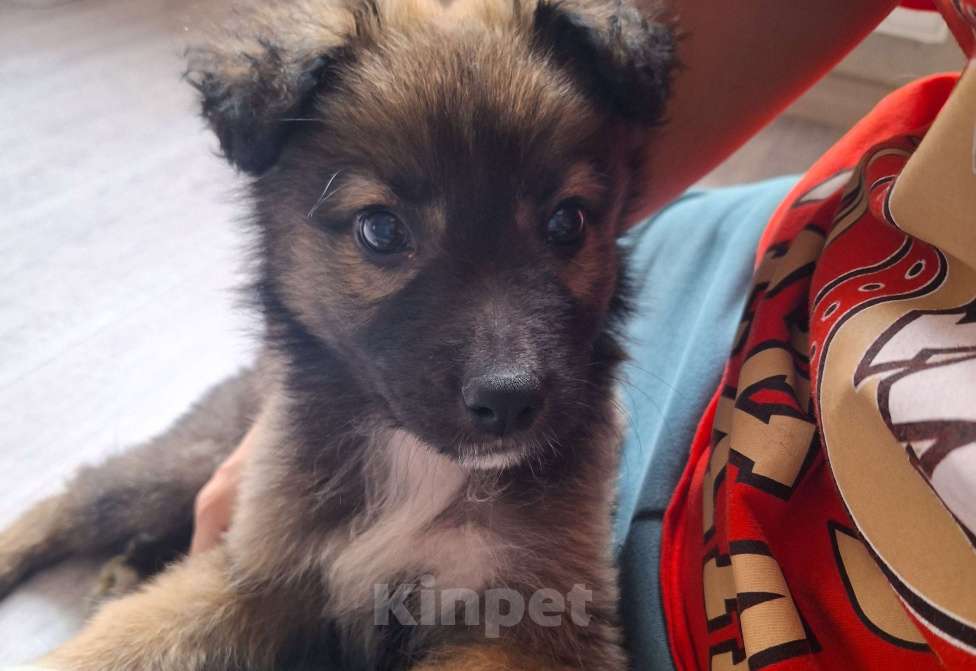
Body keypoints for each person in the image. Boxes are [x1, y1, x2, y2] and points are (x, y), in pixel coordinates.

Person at [192, 1, 976, 669]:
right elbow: (240, 592)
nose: (506, 365)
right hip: (793, 298)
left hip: (713, 551)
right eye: (383, 232)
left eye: (563, 225)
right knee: (190, 483)